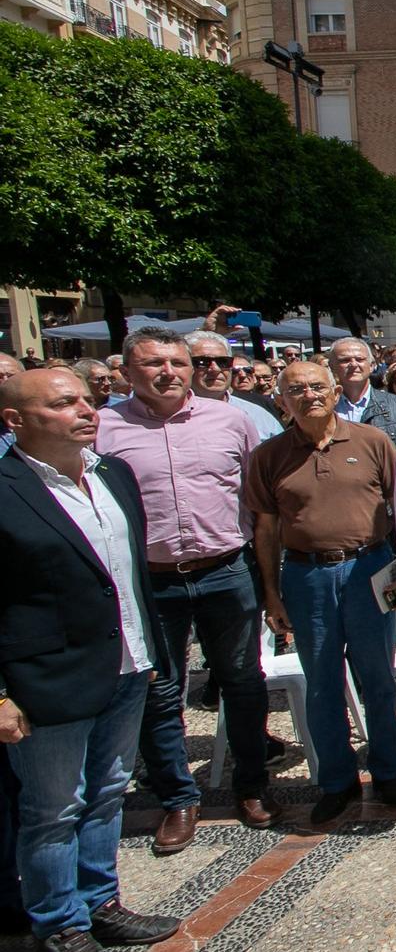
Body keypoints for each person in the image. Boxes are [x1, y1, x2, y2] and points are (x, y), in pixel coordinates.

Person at [0, 368, 181, 952]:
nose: (85, 410)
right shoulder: (6, 489)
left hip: (128, 663)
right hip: (48, 678)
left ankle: (100, 903)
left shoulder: (112, 475)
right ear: (15, 420)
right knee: (53, 808)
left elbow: (127, 575)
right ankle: (58, 927)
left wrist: (152, 652)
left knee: (106, 792)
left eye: (85, 399)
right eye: (63, 404)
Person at [95, 326, 278, 851]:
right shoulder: (105, 429)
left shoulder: (231, 421)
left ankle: (251, 785)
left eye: (178, 363)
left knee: (243, 679)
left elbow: (255, 500)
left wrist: (266, 580)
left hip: (224, 570)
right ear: (129, 372)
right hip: (149, 579)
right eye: (154, 364)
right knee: (161, 687)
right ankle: (178, 797)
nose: (168, 373)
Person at [247, 360, 396, 826]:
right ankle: (336, 781)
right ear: (282, 398)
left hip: (369, 569)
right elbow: (265, 530)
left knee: (379, 678)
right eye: (296, 389)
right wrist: (272, 595)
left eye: (317, 387)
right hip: (307, 576)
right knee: (321, 684)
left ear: (336, 391)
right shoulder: (269, 455)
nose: (309, 396)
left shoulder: (373, 442)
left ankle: (387, 771)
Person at [186, 330, 284, 441]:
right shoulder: (171, 415)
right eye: (203, 362)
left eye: (223, 361)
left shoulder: (259, 415)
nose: (215, 369)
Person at [329, 337, 396, 446]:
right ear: (332, 366)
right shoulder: (325, 407)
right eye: (345, 360)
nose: (353, 364)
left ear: (372, 365)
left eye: (360, 359)